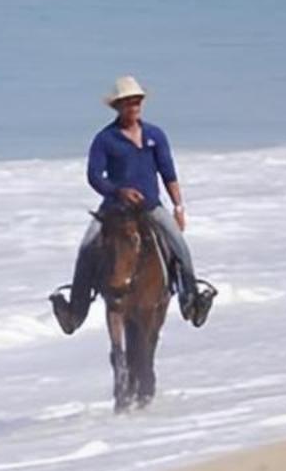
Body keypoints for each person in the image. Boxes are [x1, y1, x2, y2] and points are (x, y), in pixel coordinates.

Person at [50, 76, 214, 333]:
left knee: (179, 244)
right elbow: (94, 176)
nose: (133, 107)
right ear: (118, 107)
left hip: (150, 206)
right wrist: (119, 191)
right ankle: (75, 311)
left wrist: (178, 207)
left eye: (136, 102)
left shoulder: (155, 135)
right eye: (128, 103)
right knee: (87, 247)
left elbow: (168, 172)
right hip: (115, 209)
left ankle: (192, 301)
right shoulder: (105, 139)